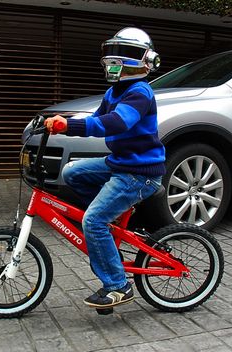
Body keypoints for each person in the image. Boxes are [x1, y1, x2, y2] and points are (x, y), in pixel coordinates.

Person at [45, 27, 166, 308]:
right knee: (72, 172)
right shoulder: (114, 90)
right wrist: (61, 119)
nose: (114, 59)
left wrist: (71, 126)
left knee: (92, 221)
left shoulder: (140, 92)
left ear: (145, 60)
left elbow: (115, 123)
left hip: (140, 172)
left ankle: (118, 285)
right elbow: (97, 117)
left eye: (124, 54)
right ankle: (110, 216)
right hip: (120, 163)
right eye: (111, 53)